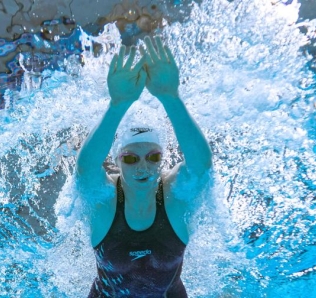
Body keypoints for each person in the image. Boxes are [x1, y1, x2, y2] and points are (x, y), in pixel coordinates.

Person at [76, 36, 212, 297]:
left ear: (162, 159)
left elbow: (201, 165)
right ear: (117, 161)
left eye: (152, 157)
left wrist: (171, 98)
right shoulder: (105, 201)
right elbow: (85, 169)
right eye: (130, 158)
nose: (142, 166)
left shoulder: (174, 198)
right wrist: (118, 105)